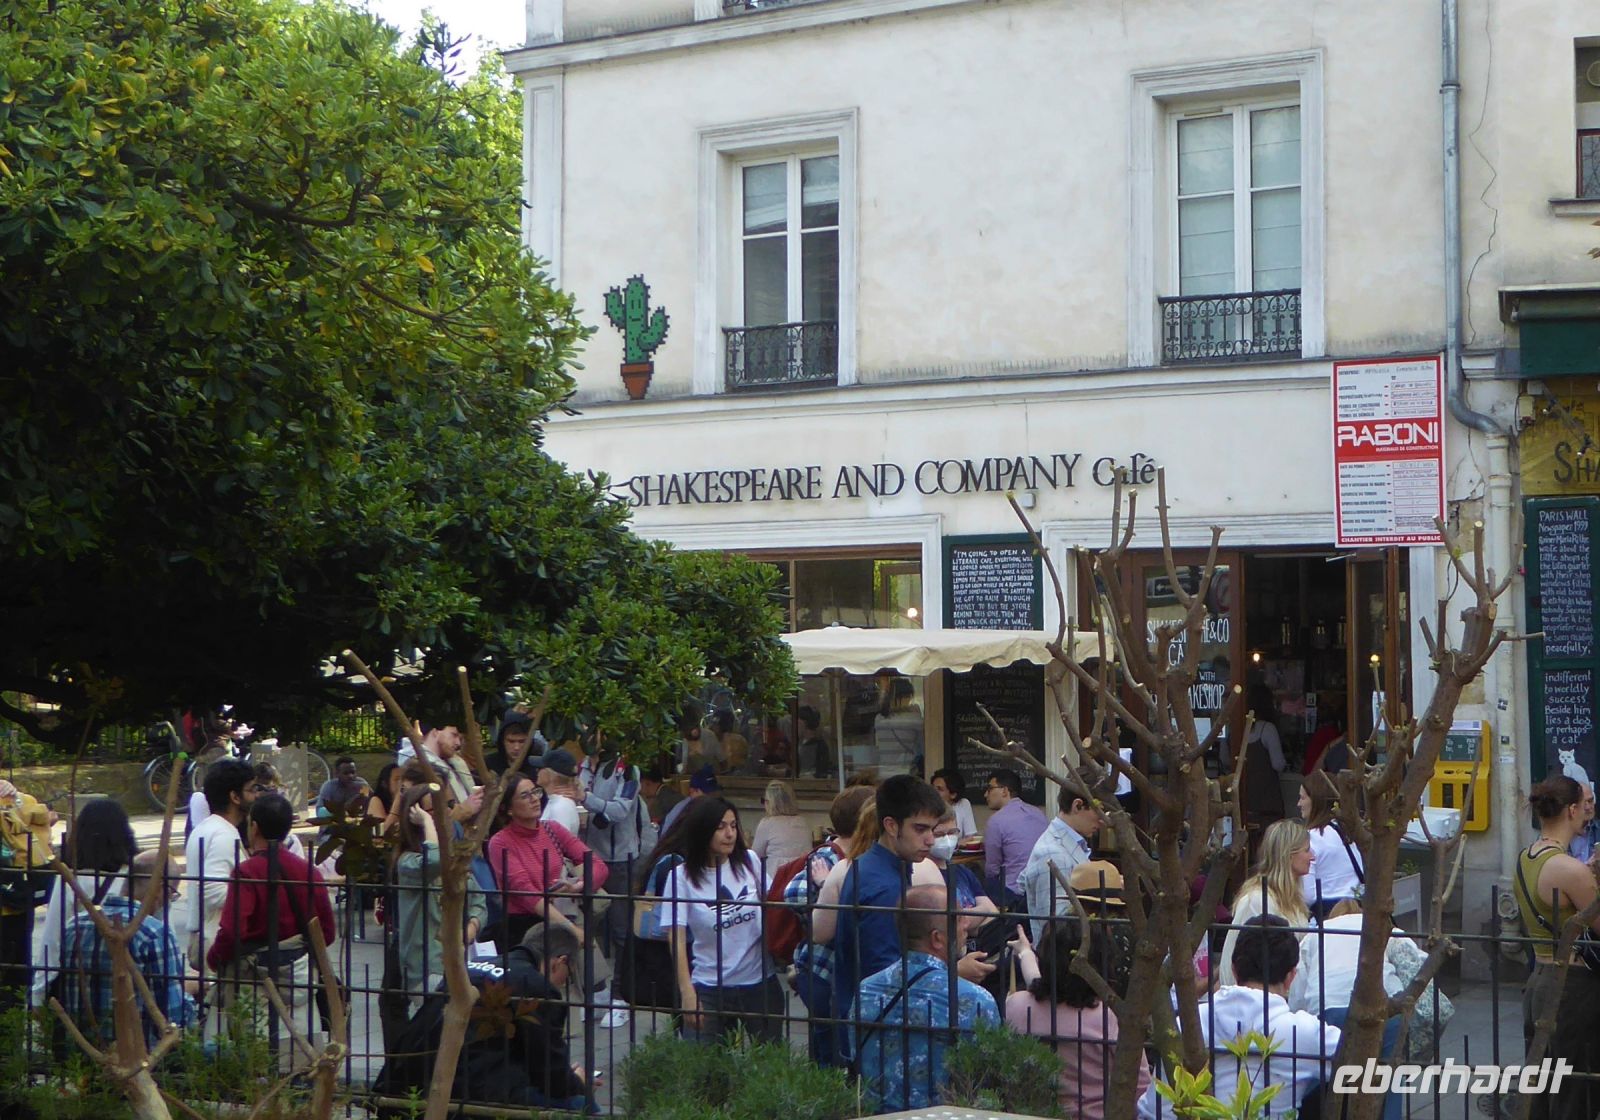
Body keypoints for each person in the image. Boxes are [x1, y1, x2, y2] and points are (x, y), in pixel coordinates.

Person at [1138, 916, 1340, 1120]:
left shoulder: (1189, 1023)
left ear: (1233, 970)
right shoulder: (1304, 1032)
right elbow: (1358, 1065)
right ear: (1291, 977)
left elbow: (1153, 1110)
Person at [375, 923, 590, 1110]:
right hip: (472, 1089)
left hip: (411, 1077)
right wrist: (577, 1082)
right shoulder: (536, 986)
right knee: (581, 1103)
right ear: (559, 962)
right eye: (569, 975)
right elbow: (550, 1073)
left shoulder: (472, 966)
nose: (564, 982)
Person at [852, 883, 1000, 1112]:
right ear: (937, 939)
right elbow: (990, 1080)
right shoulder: (974, 1001)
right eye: (958, 918)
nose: (966, 925)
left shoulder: (865, 991)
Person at [830, 776, 948, 1044]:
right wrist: (956, 972)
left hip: (867, 1018)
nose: (931, 840)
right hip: (878, 1029)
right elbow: (885, 974)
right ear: (891, 825)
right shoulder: (883, 886)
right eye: (920, 829)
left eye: (933, 829)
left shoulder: (872, 865)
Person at [206, 793, 337, 1035]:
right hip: (298, 976)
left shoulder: (247, 873)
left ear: (254, 827)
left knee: (256, 1045)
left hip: (254, 980)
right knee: (299, 1048)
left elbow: (233, 931)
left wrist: (214, 959)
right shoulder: (308, 872)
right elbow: (326, 932)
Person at [1511, 774, 1600, 1120]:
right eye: (1584, 805)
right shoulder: (1569, 869)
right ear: (1572, 810)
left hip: (1539, 980)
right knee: (1574, 1089)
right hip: (1572, 986)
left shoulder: (1526, 857)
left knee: (1542, 1083)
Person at [1008, 922, 1151, 1120]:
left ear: (1045, 958)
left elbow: (1037, 983)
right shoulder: (1112, 1017)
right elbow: (1141, 1087)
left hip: (1035, 1114)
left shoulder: (1016, 1007)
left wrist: (1025, 954)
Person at [666, 796, 780, 1042]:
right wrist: (687, 991)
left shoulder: (749, 861)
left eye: (733, 826)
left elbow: (774, 906)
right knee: (703, 1061)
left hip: (759, 981)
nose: (729, 834)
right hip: (709, 984)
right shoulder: (680, 877)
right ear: (703, 830)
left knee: (770, 1057)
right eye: (720, 827)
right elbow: (676, 936)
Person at [57, 849, 196, 1048]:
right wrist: (189, 992)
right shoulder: (154, 933)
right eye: (172, 895)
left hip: (81, 1051)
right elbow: (173, 1018)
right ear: (160, 890)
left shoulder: (74, 926)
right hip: (141, 1055)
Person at [1292, 898, 1409, 1120]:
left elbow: (1298, 991)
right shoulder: (1381, 928)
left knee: (1318, 1074)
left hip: (1330, 1006)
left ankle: (1292, 1110)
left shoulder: (1316, 934)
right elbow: (1416, 960)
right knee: (1390, 1075)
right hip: (1387, 1007)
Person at [784, 785, 875, 1066]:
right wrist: (830, 888)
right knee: (831, 1050)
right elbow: (794, 894)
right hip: (823, 971)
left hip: (845, 971)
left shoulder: (864, 857)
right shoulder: (828, 857)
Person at [485, 772, 605, 949]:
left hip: (560, 915)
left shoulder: (552, 829)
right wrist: (571, 929)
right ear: (508, 809)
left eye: (535, 792)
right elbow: (528, 895)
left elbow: (598, 865)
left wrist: (577, 886)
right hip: (525, 927)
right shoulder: (500, 842)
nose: (534, 799)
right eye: (525, 795)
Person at [392, 784, 487, 1000]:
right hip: (427, 968)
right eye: (435, 810)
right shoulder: (408, 862)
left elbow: (478, 900)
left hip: (459, 961)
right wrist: (427, 823)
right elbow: (434, 861)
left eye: (448, 805)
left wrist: (470, 929)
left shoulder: (455, 859)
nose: (446, 814)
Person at [35, 797, 134, 1004]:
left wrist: (38, 994)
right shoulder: (134, 875)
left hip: (81, 982)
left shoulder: (71, 880)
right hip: (129, 980)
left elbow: (52, 940)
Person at [1217, 819, 1313, 990]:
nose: (1312, 856)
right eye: (1306, 850)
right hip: (1258, 998)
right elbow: (1242, 961)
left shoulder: (1293, 898)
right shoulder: (1257, 900)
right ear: (1289, 855)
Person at [181, 757, 256, 972]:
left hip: (207, 935)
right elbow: (213, 890)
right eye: (251, 790)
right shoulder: (223, 834)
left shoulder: (206, 828)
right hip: (216, 938)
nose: (256, 796)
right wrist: (255, 893)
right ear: (235, 797)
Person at [1019, 785, 1106, 938]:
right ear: (1077, 805)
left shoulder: (1069, 845)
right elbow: (1057, 929)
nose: (1102, 820)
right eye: (1099, 811)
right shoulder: (1054, 854)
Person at [1297, 772, 1363, 920]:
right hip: (1357, 911)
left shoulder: (1310, 839)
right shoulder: (1350, 832)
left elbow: (1307, 895)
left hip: (1327, 917)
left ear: (1316, 800)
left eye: (1302, 798)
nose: (1298, 804)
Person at [982, 768, 1048, 907]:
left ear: (1005, 791)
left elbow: (992, 869)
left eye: (990, 788)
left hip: (1014, 892)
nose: (985, 794)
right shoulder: (1038, 813)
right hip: (1042, 887)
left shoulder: (996, 821)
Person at [1242, 684, 1287, 838]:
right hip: (1267, 802)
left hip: (1245, 799)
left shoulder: (1237, 728)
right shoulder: (1267, 729)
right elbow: (1278, 764)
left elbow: (1225, 759)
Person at [751, 780, 812, 879]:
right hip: (801, 878)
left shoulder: (767, 824)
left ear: (770, 803)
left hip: (776, 879)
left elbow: (755, 856)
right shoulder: (803, 822)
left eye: (764, 800)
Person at [873, 678, 924, 775]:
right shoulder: (914, 720)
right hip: (905, 772)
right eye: (909, 696)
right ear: (906, 696)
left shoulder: (879, 719)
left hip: (884, 772)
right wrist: (916, 712)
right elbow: (922, 747)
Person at [535, 748, 584, 834]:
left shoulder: (560, 807)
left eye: (540, 768)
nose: (536, 770)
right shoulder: (558, 803)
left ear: (550, 774)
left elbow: (559, 841)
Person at [659, 765, 718, 836]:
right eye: (707, 793)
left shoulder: (711, 807)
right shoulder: (683, 811)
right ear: (692, 791)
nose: (711, 796)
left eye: (714, 792)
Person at [489, 709, 546, 778]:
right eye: (511, 741)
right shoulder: (488, 765)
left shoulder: (538, 766)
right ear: (502, 741)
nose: (516, 747)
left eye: (522, 741)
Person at [930, 768, 977, 837]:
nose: (933, 792)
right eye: (932, 788)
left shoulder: (963, 803)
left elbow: (971, 836)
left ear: (953, 794)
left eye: (939, 789)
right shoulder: (926, 807)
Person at [796, 705, 832, 778]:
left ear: (804, 723)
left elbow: (821, 772)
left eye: (797, 722)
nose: (796, 726)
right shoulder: (799, 743)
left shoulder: (820, 746)